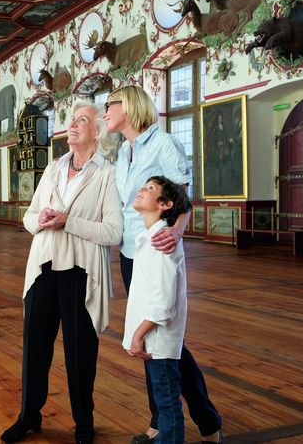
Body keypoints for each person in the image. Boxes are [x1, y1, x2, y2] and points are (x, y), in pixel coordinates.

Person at [103, 85, 222, 444]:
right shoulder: (124, 151)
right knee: (151, 343)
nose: (105, 111)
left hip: (156, 250)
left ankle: (202, 419)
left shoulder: (163, 144)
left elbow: (182, 198)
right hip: (129, 252)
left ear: (130, 106)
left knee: (164, 341)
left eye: (110, 104)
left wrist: (177, 233)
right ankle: (162, 421)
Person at [1, 101, 122, 444]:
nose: (72, 125)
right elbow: (28, 216)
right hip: (43, 268)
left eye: (82, 120)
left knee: (80, 352)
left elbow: (113, 232)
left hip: (81, 272)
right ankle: (28, 416)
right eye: (71, 120)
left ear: (97, 132)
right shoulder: (53, 169)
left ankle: (84, 421)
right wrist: (38, 221)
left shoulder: (106, 174)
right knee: (35, 347)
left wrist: (69, 221)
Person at [124, 176, 192, 444]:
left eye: (150, 189)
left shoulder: (162, 242)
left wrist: (139, 334)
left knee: (167, 404)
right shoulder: (149, 236)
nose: (141, 189)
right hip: (154, 340)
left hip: (158, 340)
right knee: (165, 399)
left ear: (164, 204)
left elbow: (164, 303)